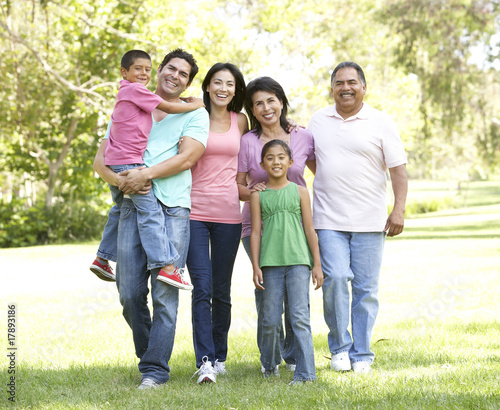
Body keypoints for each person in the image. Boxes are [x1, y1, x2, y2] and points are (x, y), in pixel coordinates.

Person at [93, 48, 209, 388]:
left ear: (188, 81)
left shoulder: (193, 113)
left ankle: (155, 370)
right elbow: (103, 159)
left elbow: (187, 158)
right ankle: (150, 355)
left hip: (171, 207)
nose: (175, 76)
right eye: (170, 68)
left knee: (164, 292)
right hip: (133, 203)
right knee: (129, 293)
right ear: (158, 70)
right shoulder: (130, 101)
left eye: (183, 74)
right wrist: (122, 181)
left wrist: (145, 175)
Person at [308, 61, 408, 374]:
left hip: (370, 221)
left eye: (352, 82)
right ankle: (340, 348)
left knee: (366, 289)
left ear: (363, 86)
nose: (346, 88)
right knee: (335, 279)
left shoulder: (381, 121)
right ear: (332, 87)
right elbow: (312, 161)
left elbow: (398, 170)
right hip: (328, 219)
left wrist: (399, 208)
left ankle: (362, 354)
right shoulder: (318, 120)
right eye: (339, 83)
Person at [90, 49, 203, 290]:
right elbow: (170, 108)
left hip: (122, 166)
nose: (143, 73)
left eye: (146, 69)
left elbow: (187, 159)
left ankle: (102, 257)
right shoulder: (137, 92)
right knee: (150, 215)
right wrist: (196, 104)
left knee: (118, 210)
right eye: (170, 68)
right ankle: (168, 266)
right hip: (129, 166)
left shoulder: (126, 95)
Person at [237, 76, 315, 374]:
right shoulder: (247, 142)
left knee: (295, 298)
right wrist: (255, 192)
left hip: (296, 225)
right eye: (258, 103)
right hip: (257, 226)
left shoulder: (303, 136)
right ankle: (269, 359)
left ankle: (294, 356)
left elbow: (320, 173)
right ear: (252, 110)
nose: (266, 107)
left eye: (271, 100)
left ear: (281, 102)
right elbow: (239, 185)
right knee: (268, 298)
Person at [186, 63, 248, 384]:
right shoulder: (193, 114)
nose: (223, 88)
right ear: (207, 86)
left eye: (229, 83)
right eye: (217, 82)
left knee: (222, 290)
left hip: (228, 215)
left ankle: (220, 356)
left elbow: (259, 144)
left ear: (236, 90)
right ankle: (205, 361)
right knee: (203, 288)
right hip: (194, 213)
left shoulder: (241, 120)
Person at [250, 139, 323, 383]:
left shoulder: (300, 191)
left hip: (298, 262)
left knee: (299, 317)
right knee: (270, 319)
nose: (276, 162)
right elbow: (255, 232)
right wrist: (255, 266)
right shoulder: (258, 196)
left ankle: (306, 373)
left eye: (281, 157)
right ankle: (270, 364)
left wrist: (317, 264)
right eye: (270, 158)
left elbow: (310, 229)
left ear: (291, 162)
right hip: (270, 264)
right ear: (262, 164)